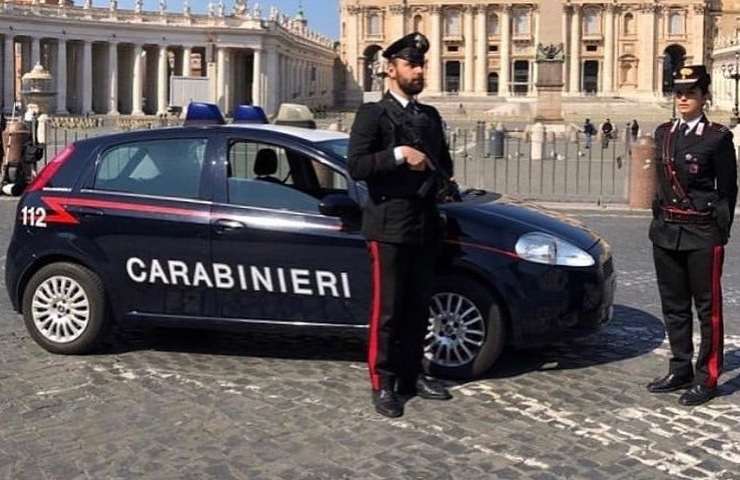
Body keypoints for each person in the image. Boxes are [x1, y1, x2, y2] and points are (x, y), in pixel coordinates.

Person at [347, 32, 454, 418]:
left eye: (422, 64)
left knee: (419, 306)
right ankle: (383, 382)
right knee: (388, 310)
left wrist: (440, 179)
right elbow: (356, 165)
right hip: (388, 223)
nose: (420, 70)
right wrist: (397, 154)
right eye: (412, 64)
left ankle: (413, 374)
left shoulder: (430, 116)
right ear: (391, 69)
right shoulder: (372, 114)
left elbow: (444, 164)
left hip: (424, 222)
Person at [647, 65, 738, 406]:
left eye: (691, 93)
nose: (683, 98)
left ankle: (708, 377)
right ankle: (680, 368)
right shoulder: (663, 133)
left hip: (702, 234)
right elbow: (660, 184)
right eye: (679, 93)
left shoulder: (717, 137)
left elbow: (728, 189)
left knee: (708, 309)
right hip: (666, 232)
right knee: (674, 307)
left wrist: (720, 231)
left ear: (703, 97)